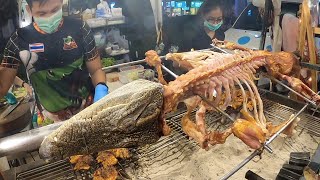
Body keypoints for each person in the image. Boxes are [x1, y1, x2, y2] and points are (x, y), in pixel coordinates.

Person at [0, 0, 108, 123]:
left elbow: (96, 70)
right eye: (41, 13)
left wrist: (101, 88)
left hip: (88, 111)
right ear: (29, 10)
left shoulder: (80, 29)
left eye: (55, 10)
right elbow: (2, 87)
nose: (49, 18)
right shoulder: (19, 40)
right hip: (50, 120)